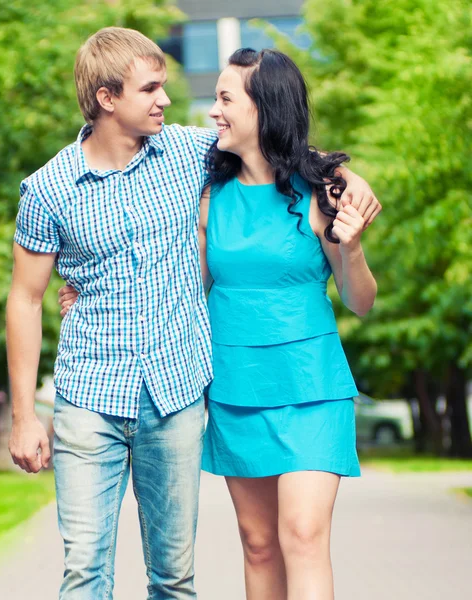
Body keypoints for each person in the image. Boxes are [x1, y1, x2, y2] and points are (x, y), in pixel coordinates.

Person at [10, 26, 378, 600]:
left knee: (255, 551)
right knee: (233, 548)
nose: (203, 108)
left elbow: (356, 291)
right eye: (152, 88)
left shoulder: (258, 174)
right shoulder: (86, 186)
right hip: (166, 386)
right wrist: (91, 298)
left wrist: (345, 187)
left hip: (249, 386)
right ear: (108, 98)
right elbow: (174, 275)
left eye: (226, 98)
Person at [199, 49, 379, 600]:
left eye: (226, 98)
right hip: (236, 386)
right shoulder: (208, 193)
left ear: (265, 108)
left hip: (311, 385)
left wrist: (351, 251)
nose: (214, 111)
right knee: (257, 543)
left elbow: (360, 301)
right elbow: (182, 288)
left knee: (302, 534)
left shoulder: (324, 192)